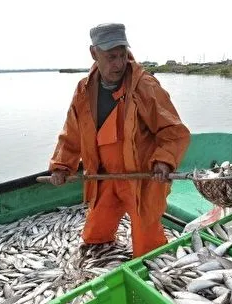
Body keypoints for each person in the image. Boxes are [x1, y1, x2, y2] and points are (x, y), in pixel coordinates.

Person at [48, 23, 191, 257]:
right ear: (94, 54)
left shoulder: (144, 85)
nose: (118, 63)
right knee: (95, 239)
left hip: (141, 178)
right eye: (111, 56)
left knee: (149, 251)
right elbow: (71, 134)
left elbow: (173, 130)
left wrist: (163, 162)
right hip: (103, 176)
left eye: (122, 55)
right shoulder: (84, 90)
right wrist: (61, 166)